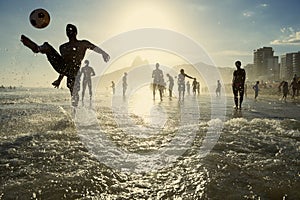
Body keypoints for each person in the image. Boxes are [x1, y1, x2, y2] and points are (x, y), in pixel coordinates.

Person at [20, 24, 110, 107]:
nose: (69, 32)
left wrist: (103, 53)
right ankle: (38, 48)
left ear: (75, 32)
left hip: (74, 72)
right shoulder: (63, 47)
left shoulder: (83, 44)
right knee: (47, 46)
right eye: (67, 30)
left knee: (74, 93)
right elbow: (65, 65)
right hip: (63, 67)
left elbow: (93, 47)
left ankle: (74, 115)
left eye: (70, 30)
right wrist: (59, 80)